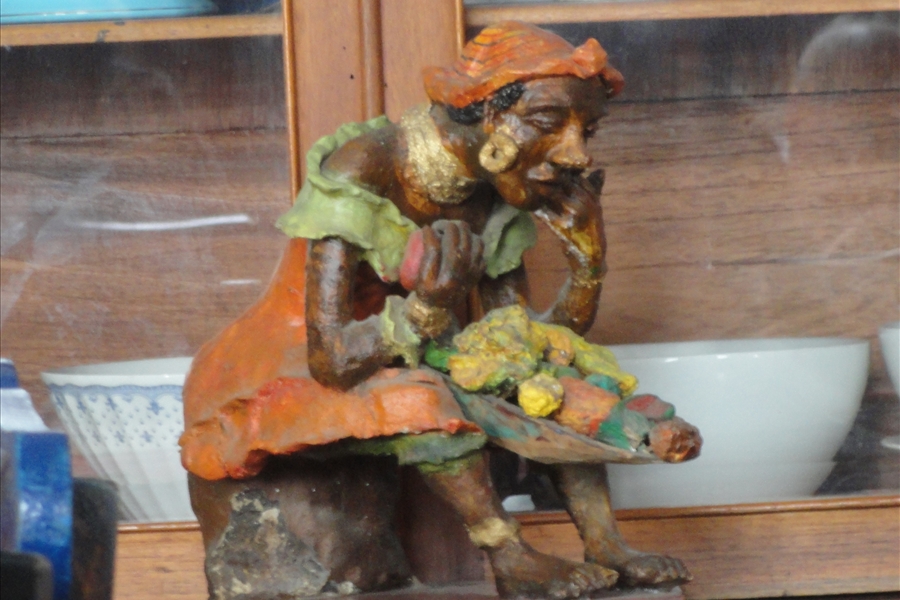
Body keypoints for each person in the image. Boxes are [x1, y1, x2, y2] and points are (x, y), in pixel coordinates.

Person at [181, 21, 690, 599]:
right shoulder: (366, 165)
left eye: (586, 129)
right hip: (280, 362)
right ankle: (509, 555)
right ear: (485, 113)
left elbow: (521, 343)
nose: (576, 153)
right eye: (548, 121)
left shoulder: (496, 186)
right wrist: (426, 308)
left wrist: (588, 264)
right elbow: (332, 360)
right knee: (424, 395)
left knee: (550, 383)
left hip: (394, 352)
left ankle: (606, 544)